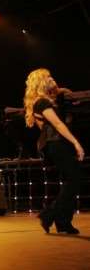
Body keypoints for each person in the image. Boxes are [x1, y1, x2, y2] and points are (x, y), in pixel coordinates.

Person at [24, 68, 84, 234]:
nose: (52, 78)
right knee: (73, 180)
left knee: (71, 181)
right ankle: (49, 214)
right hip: (55, 144)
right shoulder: (41, 103)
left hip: (58, 144)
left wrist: (60, 89)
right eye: (48, 77)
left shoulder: (50, 100)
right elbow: (57, 125)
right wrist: (76, 143)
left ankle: (63, 222)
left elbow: (64, 92)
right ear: (42, 82)